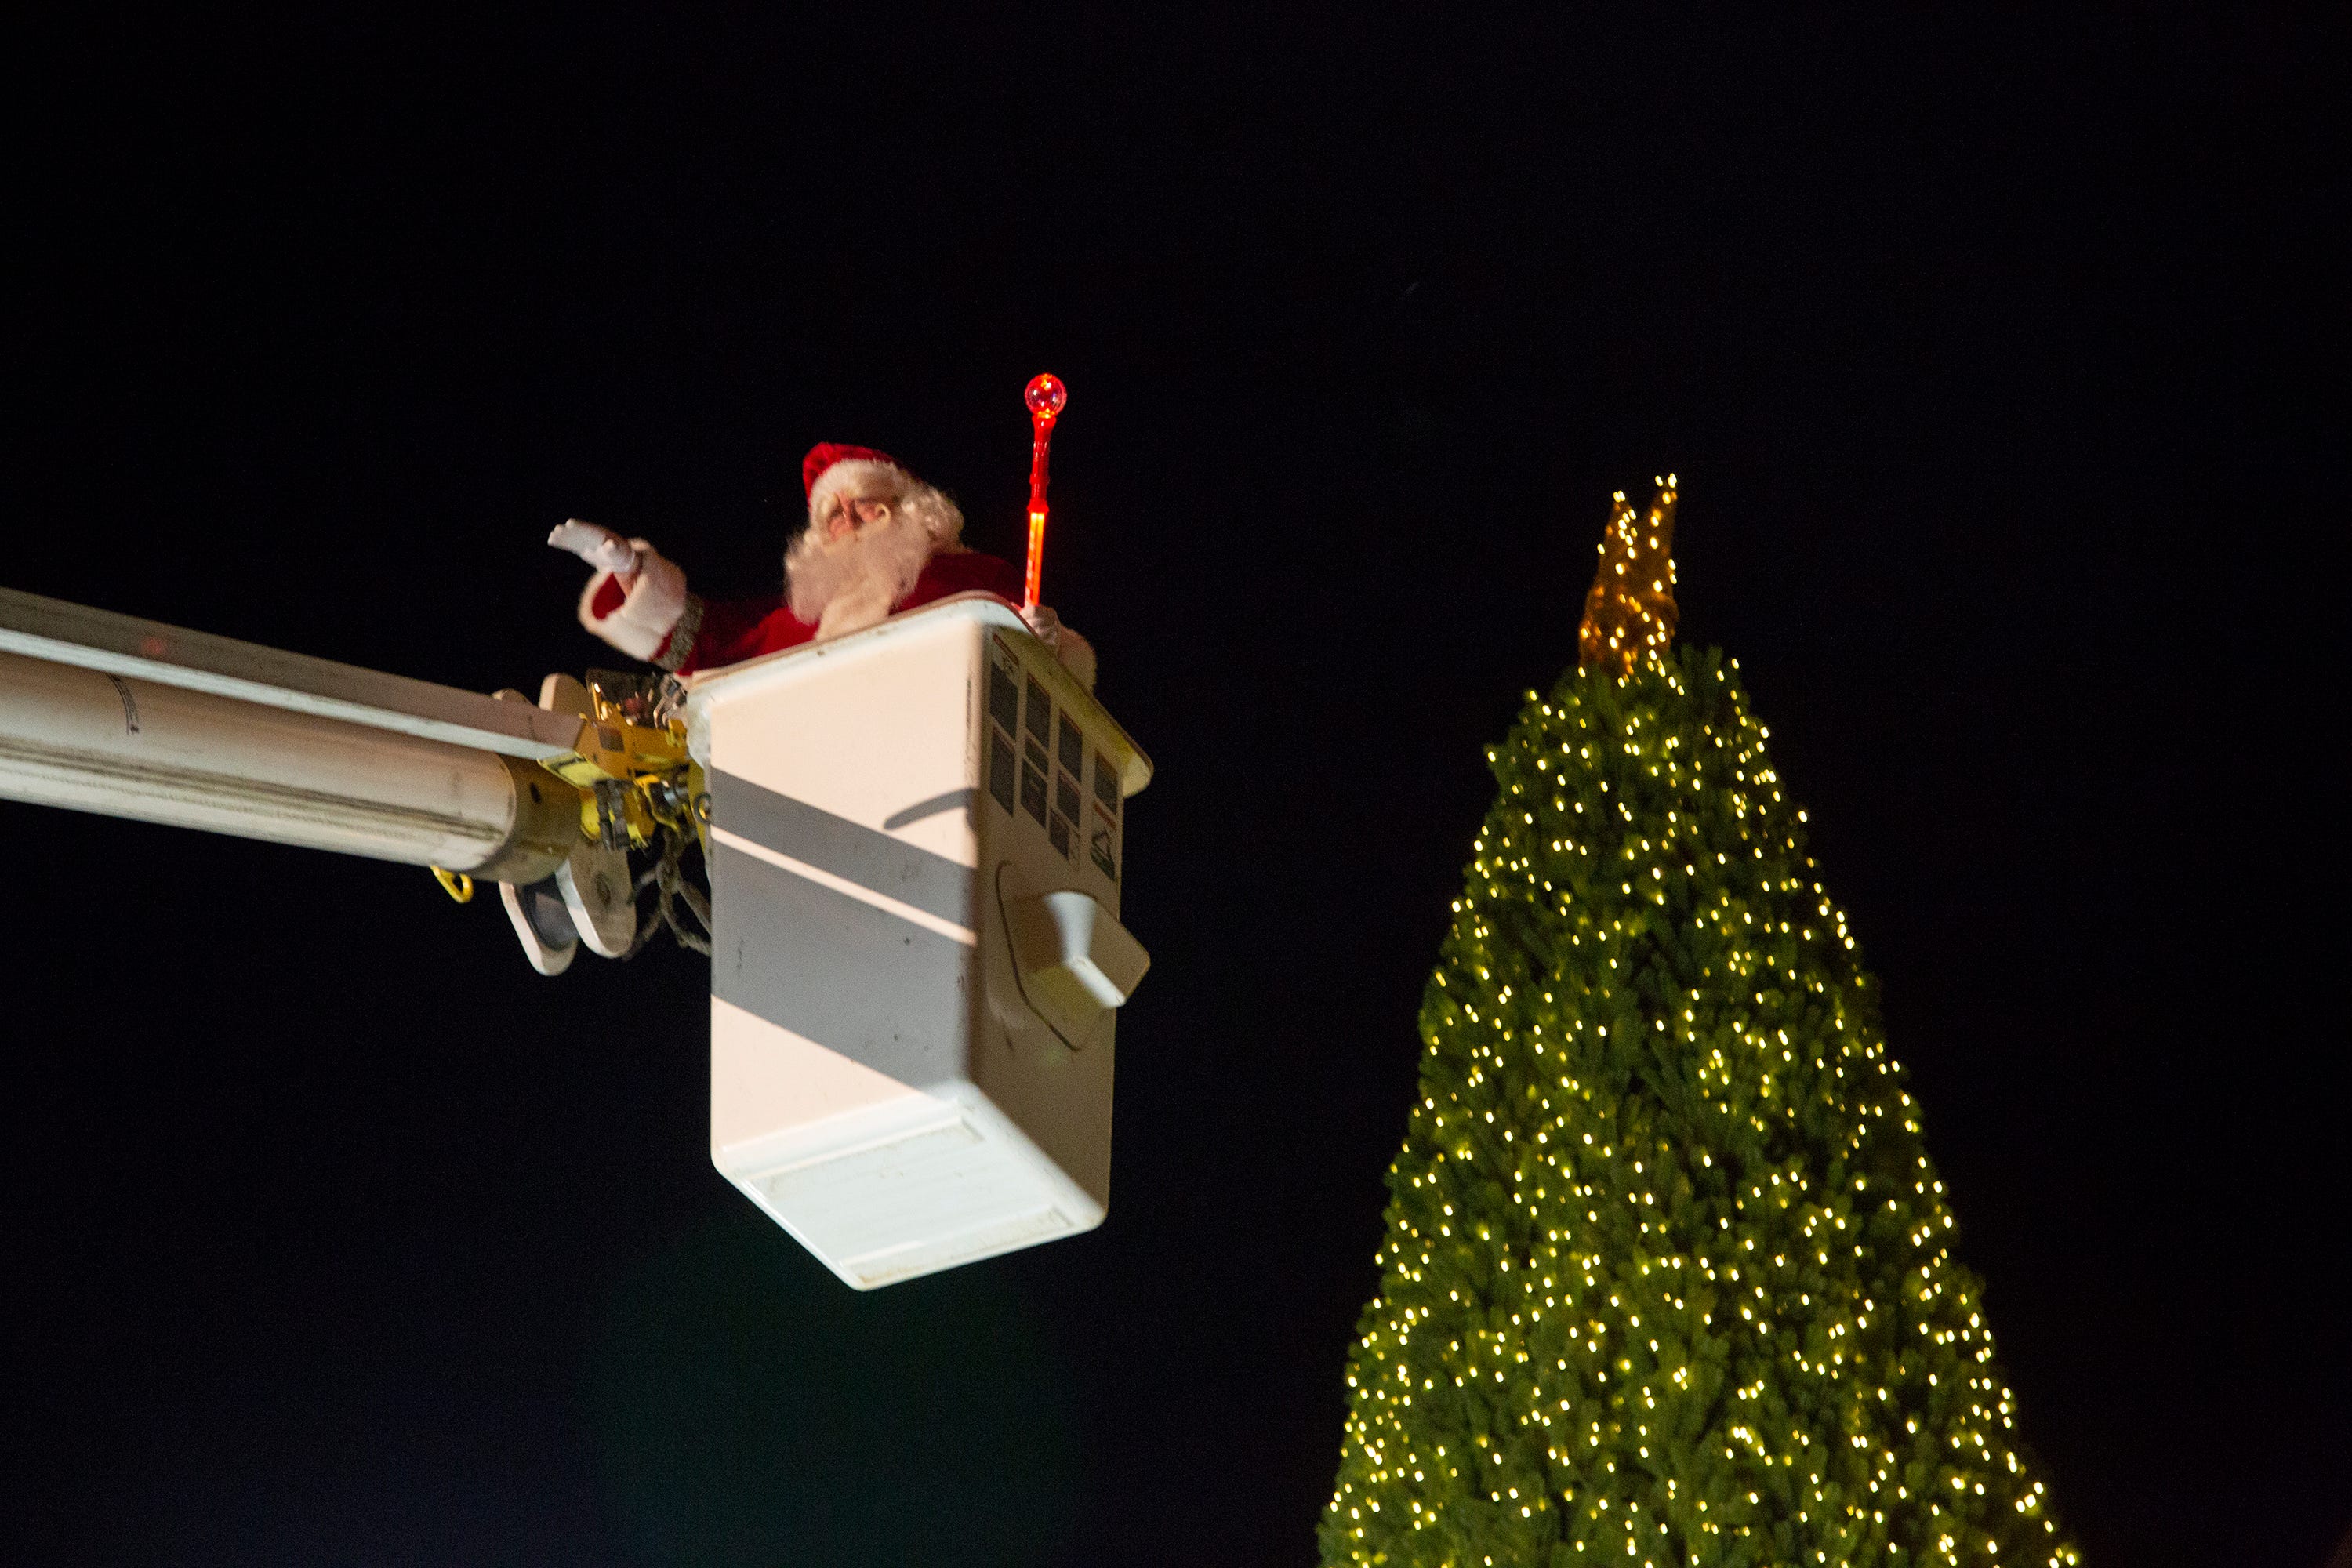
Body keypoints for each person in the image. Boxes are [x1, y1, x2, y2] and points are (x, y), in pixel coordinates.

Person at [550, 442, 1094, 684]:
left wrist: (1051, 649)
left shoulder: (972, 578)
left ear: (907, 509)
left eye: (865, 503)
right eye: (834, 513)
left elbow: (1041, 673)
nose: (849, 519)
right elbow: (709, 642)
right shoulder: (799, 621)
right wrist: (629, 569)